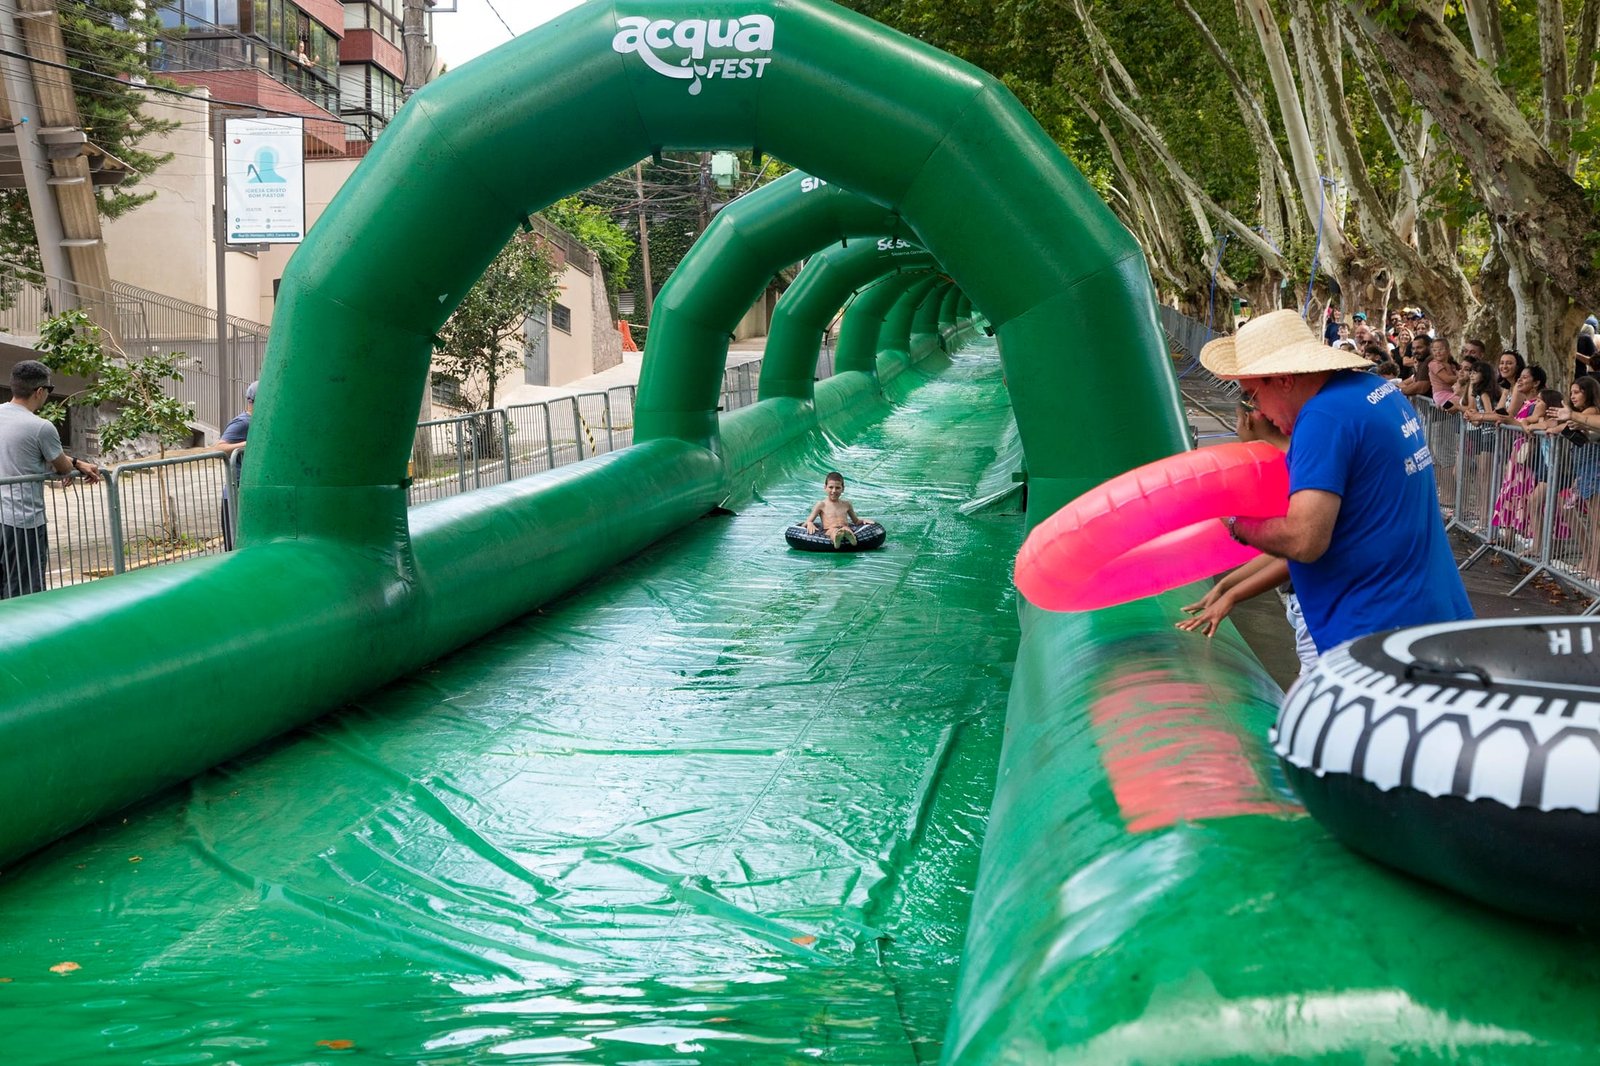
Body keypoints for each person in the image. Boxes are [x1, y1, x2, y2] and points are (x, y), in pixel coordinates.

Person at [1200, 310, 1472, 653]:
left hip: (1375, 635)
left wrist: (1236, 523)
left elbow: (1305, 540)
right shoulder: (1374, 391)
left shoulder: (1322, 418)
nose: (1257, 411)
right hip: (1427, 615)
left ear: (1284, 379)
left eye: (1252, 395)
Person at [0, 359, 101, 598]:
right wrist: (75, 464)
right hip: (22, 522)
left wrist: (75, 462)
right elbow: (63, 467)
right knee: (25, 591)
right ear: (39, 391)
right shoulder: (41, 427)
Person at [214, 380, 256, 551]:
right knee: (234, 548)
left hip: (248, 493)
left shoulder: (261, 422)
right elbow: (219, 447)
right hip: (234, 494)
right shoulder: (242, 422)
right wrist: (247, 444)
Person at [803, 471, 871, 548]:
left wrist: (863, 521)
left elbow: (856, 521)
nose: (834, 491)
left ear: (843, 489)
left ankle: (852, 539)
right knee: (834, 531)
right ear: (825, 488)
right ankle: (837, 539)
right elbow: (805, 523)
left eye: (838, 488)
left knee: (846, 528)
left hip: (844, 527)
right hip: (829, 529)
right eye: (831, 487)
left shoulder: (847, 504)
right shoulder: (821, 504)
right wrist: (809, 523)